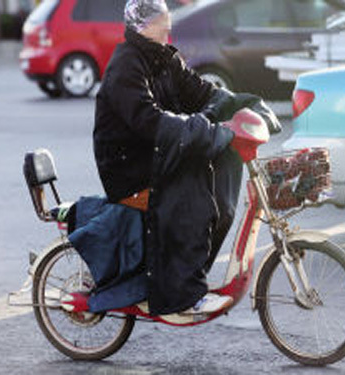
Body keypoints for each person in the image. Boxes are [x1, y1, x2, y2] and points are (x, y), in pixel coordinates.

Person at [63, 0, 280, 317]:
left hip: (159, 155)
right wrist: (204, 130)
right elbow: (149, 120)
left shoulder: (164, 58)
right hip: (130, 169)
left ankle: (188, 274)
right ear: (143, 25)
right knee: (191, 195)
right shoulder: (125, 66)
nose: (168, 26)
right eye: (161, 21)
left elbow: (204, 92)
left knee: (219, 184)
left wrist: (245, 107)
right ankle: (182, 296)